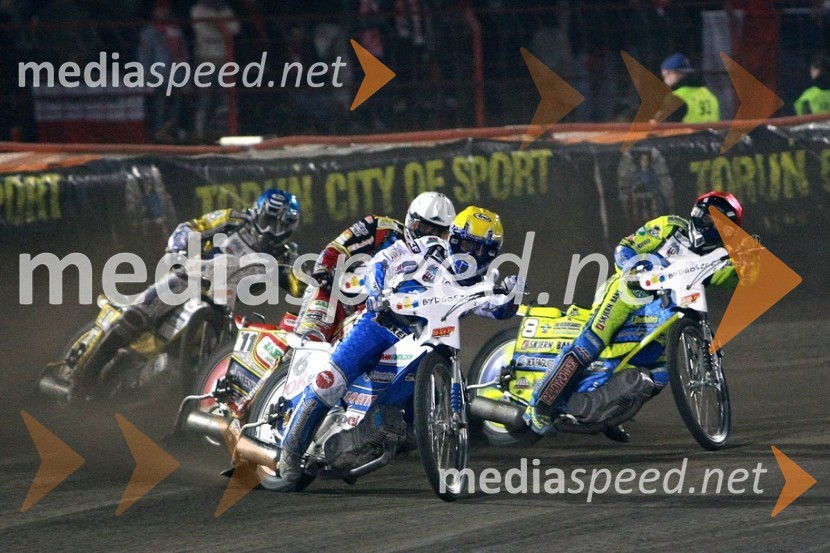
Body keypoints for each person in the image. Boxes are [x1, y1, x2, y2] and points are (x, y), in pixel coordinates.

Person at [273, 206, 524, 489]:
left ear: (491, 254)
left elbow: (496, 309)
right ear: (453, 238)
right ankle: (291, 450)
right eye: (466, 244)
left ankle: (369, 438)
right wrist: (377, 287)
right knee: (330, 380)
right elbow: (384, 259)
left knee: (406, 419)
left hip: (427, 340)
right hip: (383, 322)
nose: (470, 253)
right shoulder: (428, 246)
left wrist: (511, 295)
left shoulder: (486, 282)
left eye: (480, 249)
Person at [525, 191, 743, 441]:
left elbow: (731, 279)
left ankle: (607, 412)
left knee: (661, 373)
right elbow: (624, 247)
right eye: (706, 217)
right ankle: (540, 404)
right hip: (627, 295)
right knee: (590, 343)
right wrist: (636, 267)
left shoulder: (721, 256)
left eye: (718, 222)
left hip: (665, 311)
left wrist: (748, 266)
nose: (708, 224)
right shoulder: (670, 227)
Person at [52, 189, 304, 394]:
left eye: (280, 225)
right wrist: (179, 249)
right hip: (191, 274)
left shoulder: (286, 255)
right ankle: (84, 378)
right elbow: (192, 227)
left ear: (291, 227)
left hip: (224, 302)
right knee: (138, 314)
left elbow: (298, 283)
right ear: (257, 214)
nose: (271, 231)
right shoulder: (233, 220)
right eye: (268, 222)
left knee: (224, 350)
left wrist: (307, 286)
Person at [293, 191, 456, 342]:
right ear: (411, 221)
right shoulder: (380, 227)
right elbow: (337, 247)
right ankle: (292, 353)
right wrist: (323, 270)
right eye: (425, 228)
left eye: (438, 233)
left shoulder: (442, 261)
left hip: (379, 314)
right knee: (310, 339)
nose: (428, 236)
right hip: (335, 295)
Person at [652, 53, 720, 124]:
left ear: (676, 73)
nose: (665, 80)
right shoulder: (708, 93)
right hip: (711, 131)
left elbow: (665, 125)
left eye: (665, 75)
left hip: (687, 131)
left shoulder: (676, 97)